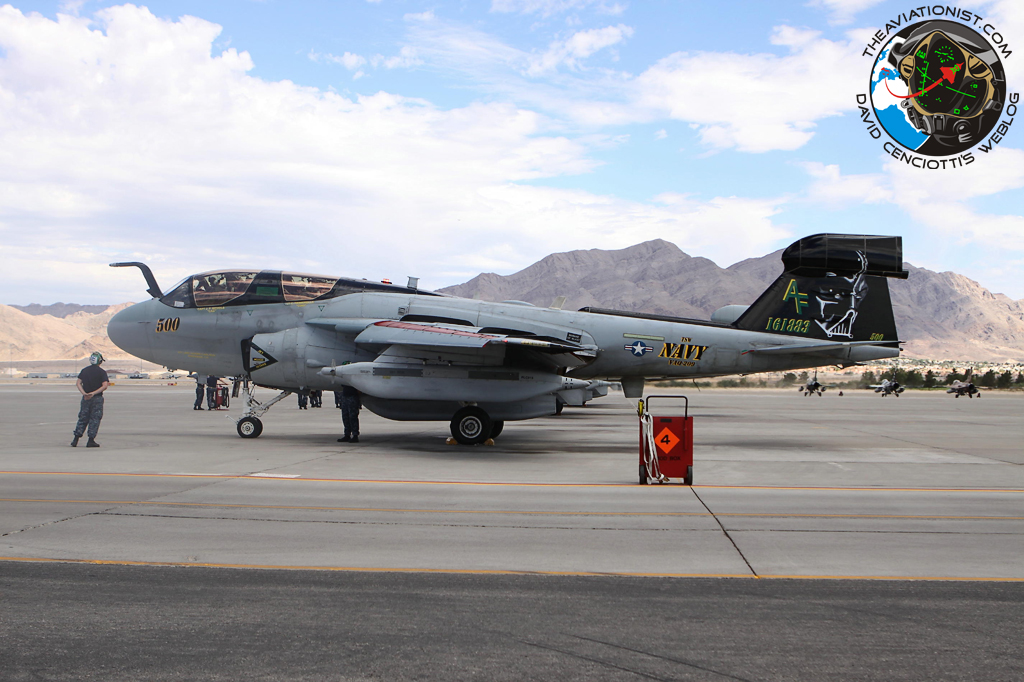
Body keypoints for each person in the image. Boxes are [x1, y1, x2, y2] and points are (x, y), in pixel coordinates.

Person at [71, 352, 109, 447]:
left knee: (83, 417)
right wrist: (94, 393)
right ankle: (91, 440)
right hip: (97, 398)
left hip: (85, 398)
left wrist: (84, 393)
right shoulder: (102, 372)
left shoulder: (84, 371)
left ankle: (76, 439)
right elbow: (105, 385)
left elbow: (78, 383)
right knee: (95, 419)